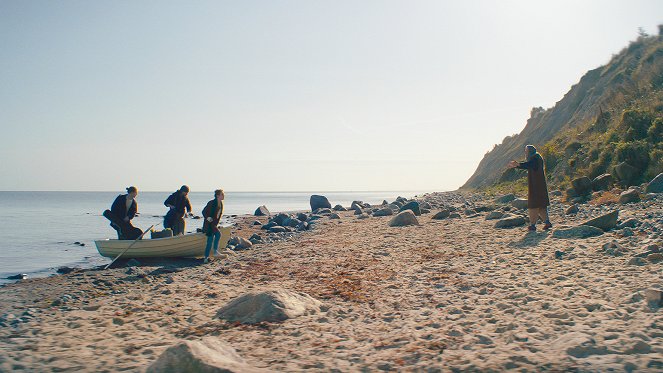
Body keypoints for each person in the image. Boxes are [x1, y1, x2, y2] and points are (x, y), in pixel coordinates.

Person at [508, 145, 552, 231]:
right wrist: (518, 165)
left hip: (536, 186)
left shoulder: (535, 158)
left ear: (530, 151)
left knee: (533, 205)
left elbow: (529, 165)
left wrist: (518, 164)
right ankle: (547, 222)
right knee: (541, 205)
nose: (525, 153)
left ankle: (533, 225)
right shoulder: (537, 157)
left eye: (526, 151)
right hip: (539, 185)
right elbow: (529, 165)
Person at [202, 189, 225, 263]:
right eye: (222, 194)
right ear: (218, 195)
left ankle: (214, 252)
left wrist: (216, 224)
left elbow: (218, 216)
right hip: (208, 225)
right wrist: (207, 217)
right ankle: (206, 257)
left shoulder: (220, 204)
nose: (223, 195)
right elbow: (203, 211)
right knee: (210, 240)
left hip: (213, 225)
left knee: (217, 235)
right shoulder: (211, 203)